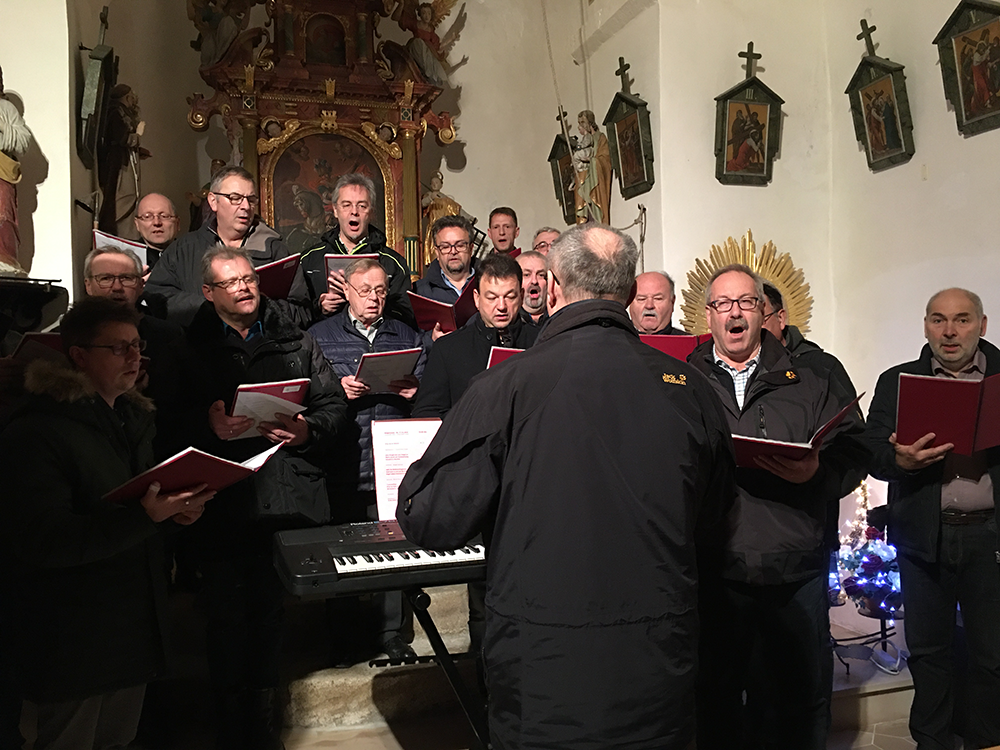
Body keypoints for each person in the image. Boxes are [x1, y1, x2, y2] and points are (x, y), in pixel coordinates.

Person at [397, 224, 736, 750]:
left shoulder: (505, 385)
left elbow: (432, 517)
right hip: (655, 656)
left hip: (545, 665)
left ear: (552, 287)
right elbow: (714, 516)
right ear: (626, 294)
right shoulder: (690, 387)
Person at [153, 247, 347, 750]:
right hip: (218, 496)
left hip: (279, 493)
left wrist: (306, 430)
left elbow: (332, 405)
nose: (244, 287)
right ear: (210, 293)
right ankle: (227, 724)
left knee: (267, 613)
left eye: (249, 279)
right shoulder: (186, 347)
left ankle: (261, 724)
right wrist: (206, 423)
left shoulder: (294, 339)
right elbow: (161, 419)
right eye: (231, 282)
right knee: (222, 615)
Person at [0, 296, 214, 750]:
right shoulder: (38, 430)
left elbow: (140, 510)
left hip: (130, 627)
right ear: (78, 355)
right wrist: (144, 517)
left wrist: (173, 514)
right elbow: (43, 541)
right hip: (71, 638)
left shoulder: (132, 417)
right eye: (118, 348)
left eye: (137, 346)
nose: (134, 357)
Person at [688, 264, 868, 750]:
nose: (735, 312)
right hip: (717, 567)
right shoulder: (682, 378)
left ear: (766, 313)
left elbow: (856, 450)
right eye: (723, 303)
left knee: (795, 702)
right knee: (717, 699)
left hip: (794, 570)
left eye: (746, 302)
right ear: (709, 317)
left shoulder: (813, 375)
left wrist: (817, 473)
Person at [864, 288, 1000, 750]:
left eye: (962, 320)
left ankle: (987, 740)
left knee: (993, 655)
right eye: (938, 320)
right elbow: (871, 451)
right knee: (928, 653)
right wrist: (899, 460)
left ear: (982, 325)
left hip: (991, 535)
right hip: (925, 536)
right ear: (925, 326)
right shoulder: (897, 380)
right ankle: (933, 741)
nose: (949, 331)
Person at [308, 258, 425, 665]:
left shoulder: (405, 334)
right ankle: (343, 637)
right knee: (341, 552)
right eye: (365, 291)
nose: (374, 298)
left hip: (391, 457)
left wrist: (415, 393)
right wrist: (336, 389)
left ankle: (391, 633)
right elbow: (309, 395)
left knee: (393, 548)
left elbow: (429, 388)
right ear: (346, 293)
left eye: (380, 291)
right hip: (343, 455)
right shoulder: (319, 336)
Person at [145, 166, 310, 328]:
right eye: (235, 197)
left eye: (251, 199)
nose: (245, 206)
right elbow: (156, 296)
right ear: (212, 201)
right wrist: (211, 308)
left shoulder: (276, 251)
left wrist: (258, 309)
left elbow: (303, 313)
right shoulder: (183, 250)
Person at [412, 252, 537, 420]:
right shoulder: (448, 349)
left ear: (521, 296)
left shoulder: (541, 341)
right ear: (476, 299)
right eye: (492, 297)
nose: (501, 306)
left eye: (510, 297)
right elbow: (427, 414)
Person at [300, 173, 415, 328]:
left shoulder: (392, 262)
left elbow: (406, 316)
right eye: (346, 205)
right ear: (335, 210)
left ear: (371, 212)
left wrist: (376, 305)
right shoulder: (309, 259)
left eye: (362, 206)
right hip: (324, 345)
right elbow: (294, 314)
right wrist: (319, 307)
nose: (354, 212)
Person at [0, 65, 31, 275]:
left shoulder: (6, 109)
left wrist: (2, 128)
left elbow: (23, 140)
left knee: (2, 214)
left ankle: (4, 260)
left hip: (1, 173)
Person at [413, 215, 476, 304]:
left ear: (471, 249)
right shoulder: (420, 293)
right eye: (445, 247)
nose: (453, 251)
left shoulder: (491, 285)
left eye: (460, 245)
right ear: (437, 253)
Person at [571, 111, 612, 225]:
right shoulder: (584, 139)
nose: (581, 125)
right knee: (584, 207)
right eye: (579, 122)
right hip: (583, 178)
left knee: (594, 208)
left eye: (583, 121)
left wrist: (592, 161)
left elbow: (605, 159)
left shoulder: (600, 138)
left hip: (595, 180)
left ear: (590, 122)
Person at [133, 193, 180, 270]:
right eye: (147, 217)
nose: (157, 222)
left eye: (164, 216)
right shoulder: (128, 259)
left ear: (177, 223)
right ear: (137, 224)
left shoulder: (191, 254)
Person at [629, 271, 682, 335]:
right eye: (641, 299)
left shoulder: (689, 343)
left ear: (672, 302)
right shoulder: (615, 342)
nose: (649, 305)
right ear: (629, 302)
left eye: (658, 299)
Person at [516, 250, 548, 324]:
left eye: (540, 275)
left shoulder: (560, 318)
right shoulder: (508, 322)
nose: (534, 281)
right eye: (527, 275)